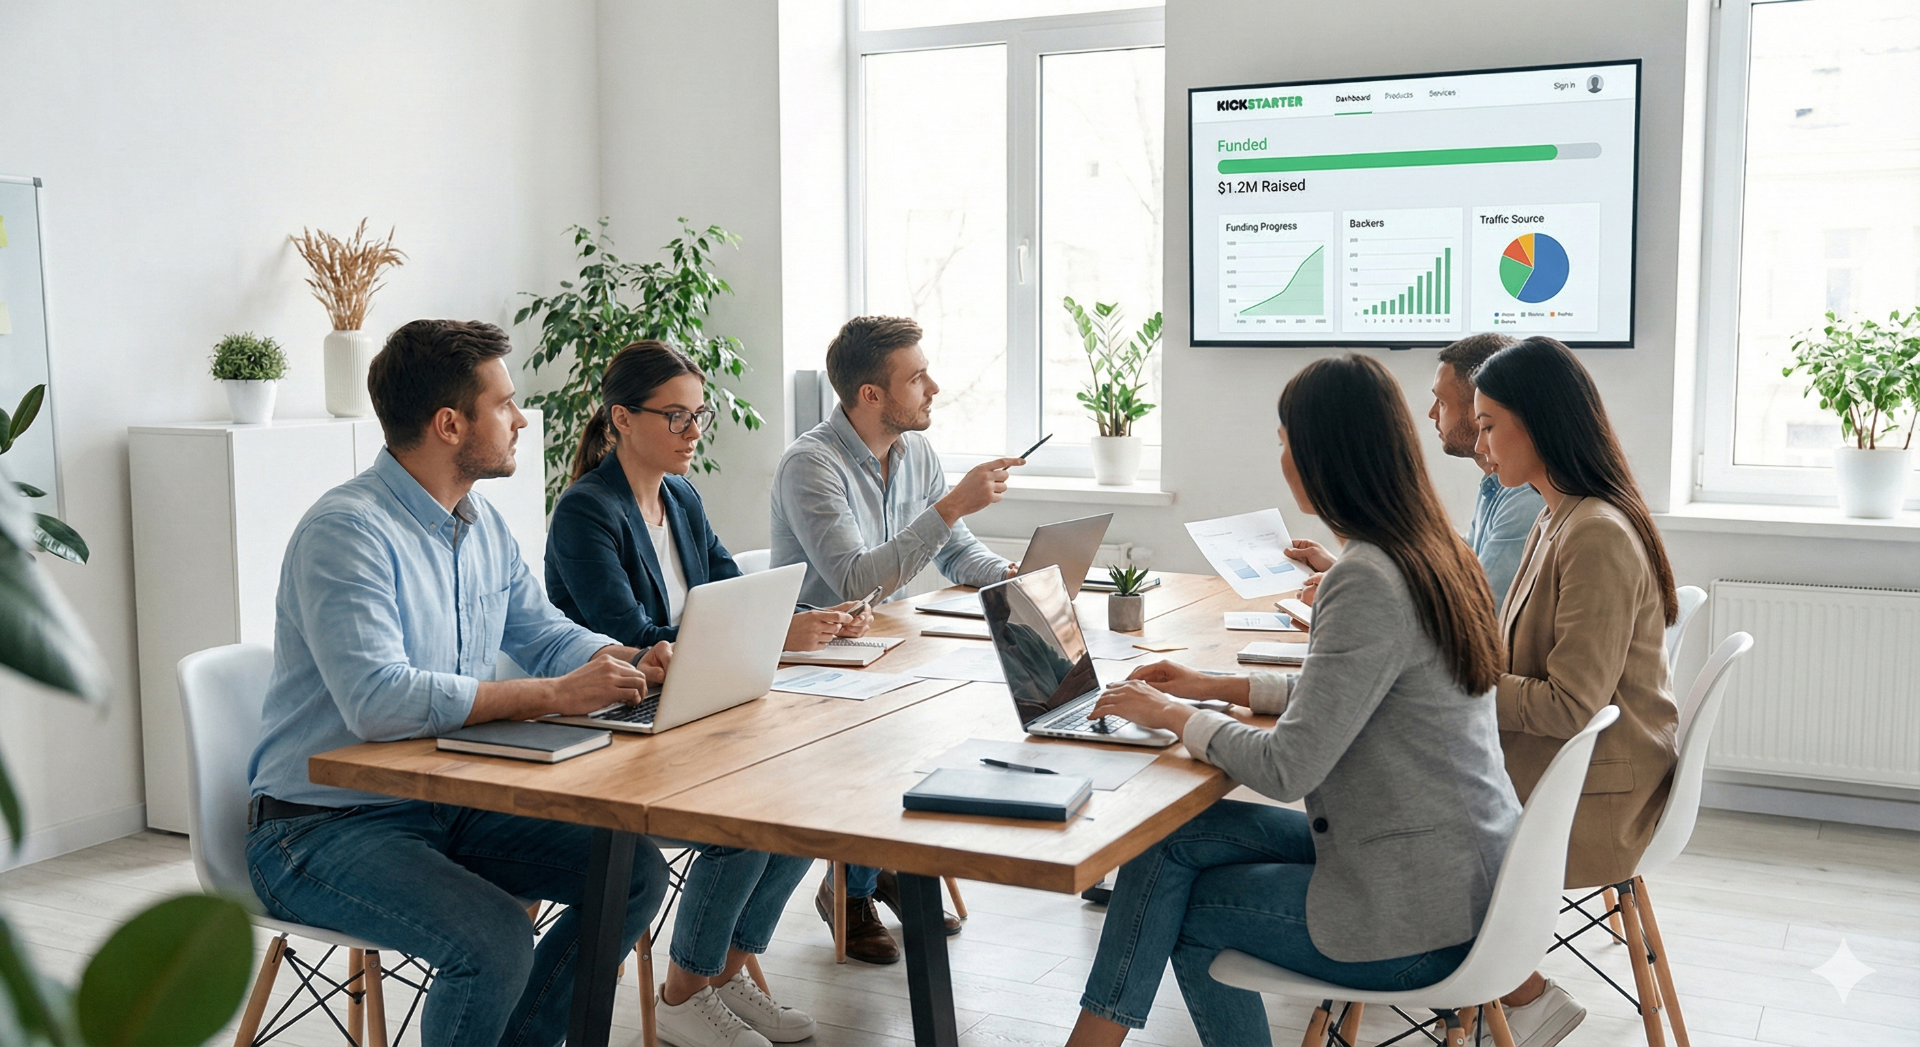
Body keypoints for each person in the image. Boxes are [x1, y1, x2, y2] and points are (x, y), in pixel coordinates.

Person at [1067, 354, 1521, 1047]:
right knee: (1168, 843)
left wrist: (1172, 716)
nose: (1280, 457)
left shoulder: (1367, 575)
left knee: (1182, 912)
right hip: (1461, 875)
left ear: (1319, 452)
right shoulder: (1433, 550)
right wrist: (1211, 685)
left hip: (1416, 917)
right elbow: (1356, 694)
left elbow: (1289, 768)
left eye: (1284, 440)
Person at [246, 319, 673, 1046]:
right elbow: (379, 700)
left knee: (629, 871)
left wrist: (629, 658)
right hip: (318, 827)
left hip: (446, 802)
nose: (522, 417)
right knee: (494, 939)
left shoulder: (481, 525)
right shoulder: (347, 532)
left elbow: (541, 633)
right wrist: (553, 695)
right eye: (505, 403)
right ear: (450, 424)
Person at [545, 340, 838, 1046]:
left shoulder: (680, 494)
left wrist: (790, 623)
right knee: (745, 815)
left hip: (693, 709)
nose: (693, 432)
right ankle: (680, 995)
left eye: (698, 415)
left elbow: (732, 597)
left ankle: (725, 973)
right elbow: (633, 638)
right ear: (620, 418)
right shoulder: (587, 512)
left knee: (808, 802)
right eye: (675, 417)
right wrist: (769, 635)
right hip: (615, 722)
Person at [770, 314, 1022, 963]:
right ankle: (849, 886)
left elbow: (955, 551)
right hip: (815, 659)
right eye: (916, 377)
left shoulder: (917, 452)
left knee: (948, 718)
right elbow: (857, 580)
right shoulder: (810, 464)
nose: (932, 387)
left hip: (885, 649)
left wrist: (1009, 575)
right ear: (871, 395)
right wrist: (948, 509)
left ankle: (890, 865)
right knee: (880, 738)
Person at [1472, 336, 1681, 1047]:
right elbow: (1516, 653)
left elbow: (1568, 704)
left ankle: (1509, 1001)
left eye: (1488, 422)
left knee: (1428, 827)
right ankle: (1500, 1000)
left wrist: (1462, 683)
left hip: (1602, 795)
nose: (1481, 442)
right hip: (1580, 772)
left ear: (1534, 421)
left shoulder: (1593, 531)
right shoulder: (1555, 514)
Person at [1429, 333, 1544, 609]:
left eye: (1442, 402)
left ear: (1478, 410)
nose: (1432, 413)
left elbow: (1483, 609)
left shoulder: (1526, 495)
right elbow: (1465, 568)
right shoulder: (1495, 484)